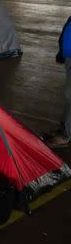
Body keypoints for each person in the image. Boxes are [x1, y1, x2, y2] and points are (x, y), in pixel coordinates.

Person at [47, 16, 71, 148]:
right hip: (69, 57)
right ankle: (63, 130)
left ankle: (65, 135)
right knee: (69, 96)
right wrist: (62, 52)